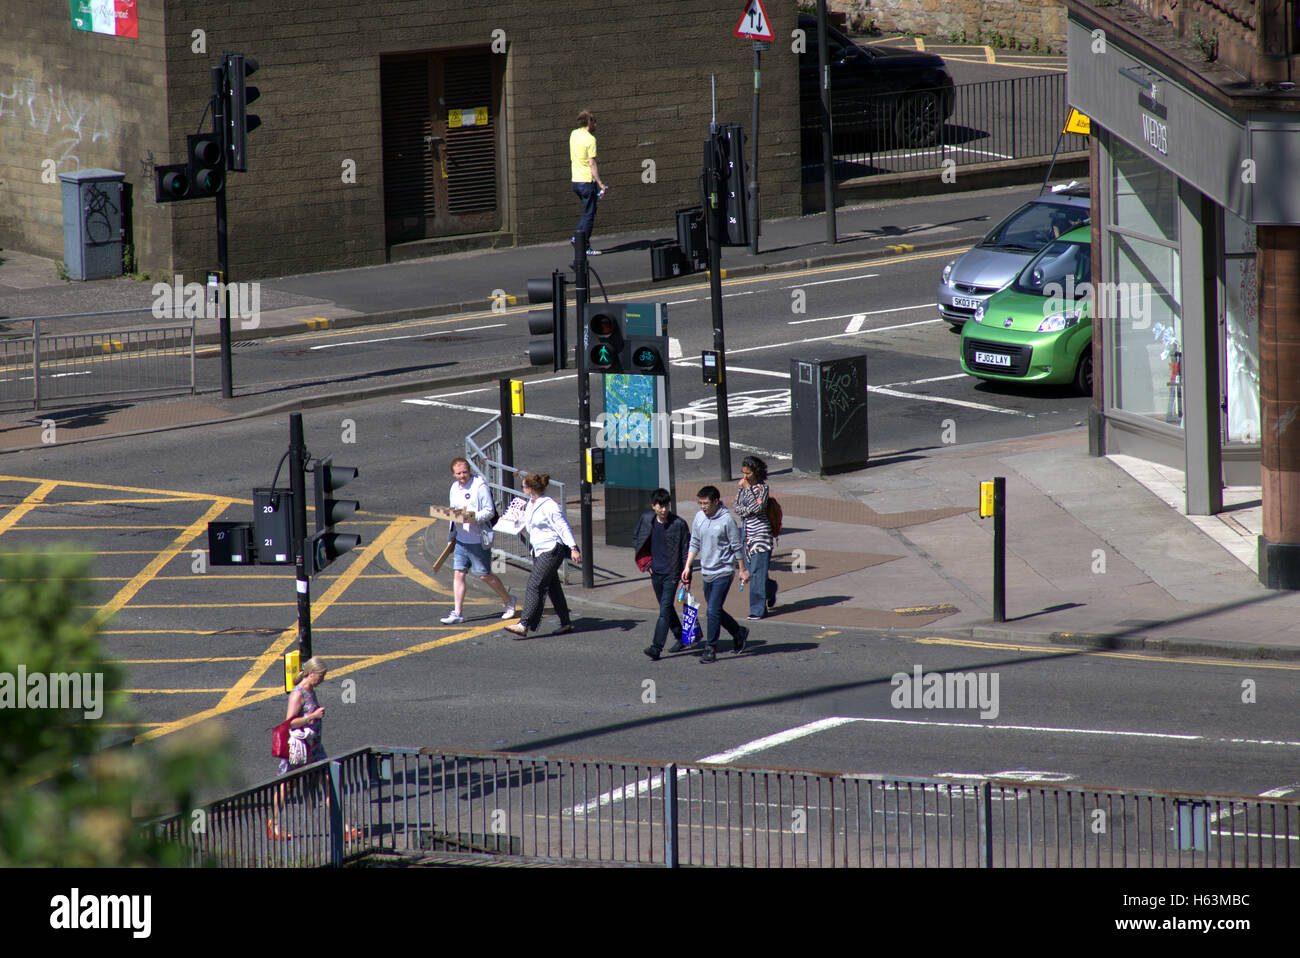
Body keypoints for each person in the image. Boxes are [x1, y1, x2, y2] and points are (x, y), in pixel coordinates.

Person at [504, 473, 581, 639]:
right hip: (538, 550)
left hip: (552, 549)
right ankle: (566, 622)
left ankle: (523, 624)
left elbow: (563, 527)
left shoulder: (549, 506)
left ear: (530, 489)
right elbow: (527, 525)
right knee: (553, 587)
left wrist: (573, 548)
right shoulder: (531, 503)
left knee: (534, 584)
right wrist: (514, 522)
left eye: (523, 486)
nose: (522, 489)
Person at [679, 485, 749, 663]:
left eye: (706, 503)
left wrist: (742, 569)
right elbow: (694, 542)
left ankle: (710, 647)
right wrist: (687, 566)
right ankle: (738, 632)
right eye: (700, 503)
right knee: (714, 609)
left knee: (712, 610)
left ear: (716, 501)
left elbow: (736, 546)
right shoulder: (699, 517)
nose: (702, 506)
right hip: (706, 571)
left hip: (724, 571)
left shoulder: (727, 520)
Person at [442, 457, 515, 624]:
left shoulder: (479, 486)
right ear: (453, 474)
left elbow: (489, 511)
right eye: (458, 473)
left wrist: (471, 518)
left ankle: (509, 601)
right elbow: (453, 514)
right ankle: (457, 612)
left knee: (484, 575)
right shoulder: (454, 488)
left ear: (470, 471)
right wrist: (451, 536)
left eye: (465, 472)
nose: (462, 476)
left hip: (477, 539)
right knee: (459, 573)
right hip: (461, 539)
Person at [632, 488, 692, 660]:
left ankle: (656, 647)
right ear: (653, 506)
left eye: (666, 505)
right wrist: (646, 563)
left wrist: (686, 578)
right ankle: (681, 636)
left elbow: (685, 552)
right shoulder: (646, 520)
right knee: (666, 608)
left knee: (664, 610)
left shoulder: (678, 524)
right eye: (660, 506)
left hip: (672, 575)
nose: (664, 509)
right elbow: (636, 538)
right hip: (655, 572)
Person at [733, 454, 777, 619]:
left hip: (761, 536)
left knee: (757, 573)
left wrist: (748, 491)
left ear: (756, 473)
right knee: (753, 571)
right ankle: (770, 588)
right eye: (743, 473)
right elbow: (736, 507)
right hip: (746, 535)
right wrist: (748, 507)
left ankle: (757, 610)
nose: (744, 477)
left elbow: (759, 509)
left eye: (748, 473)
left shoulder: (762, 489)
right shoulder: (742, 487)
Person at [569, 110, 607, 255]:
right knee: (589, 214)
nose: (596, 125)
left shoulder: (574, 134)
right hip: (586, 182)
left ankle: (577, 238)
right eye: (595, 121)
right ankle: (582, 244)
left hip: (575, 182)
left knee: (587, 211)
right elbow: (592, 163)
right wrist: (600, 183)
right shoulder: (590, 140)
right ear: (589, 122)